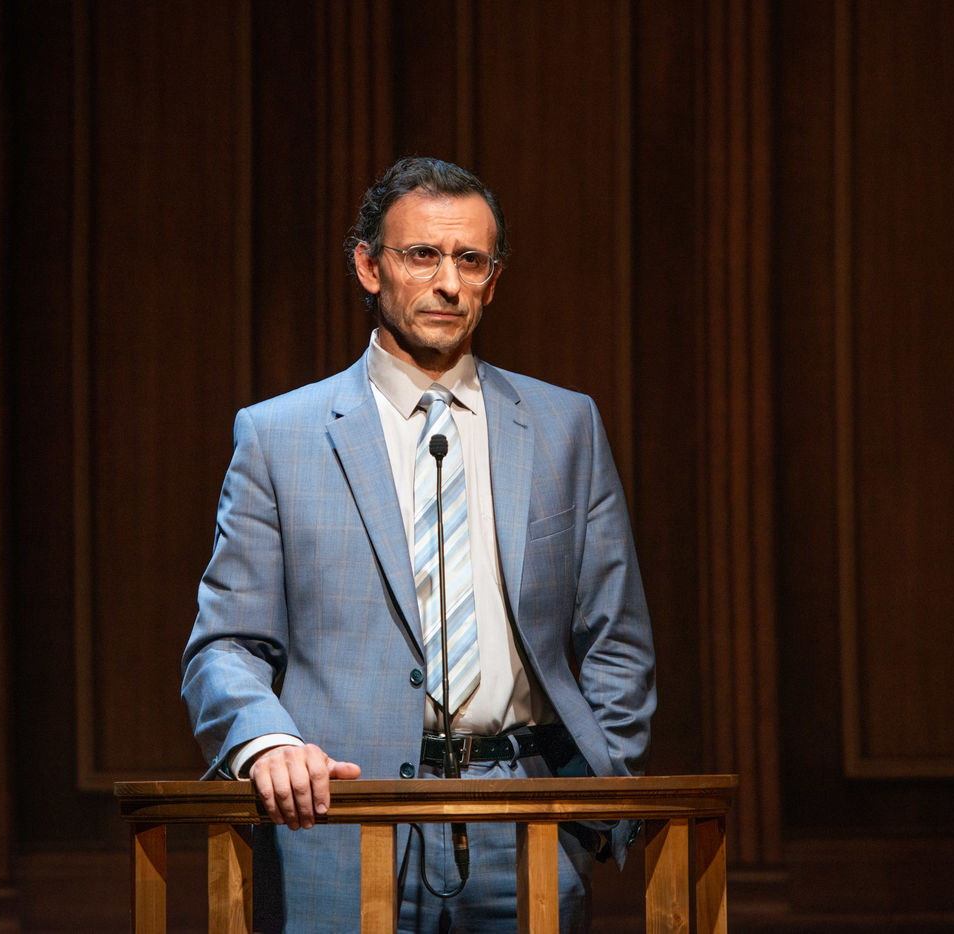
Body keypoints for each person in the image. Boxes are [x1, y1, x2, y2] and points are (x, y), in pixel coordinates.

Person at [182, 156, 656, 932]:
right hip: (342, 819)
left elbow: (618, 639)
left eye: (470, 260)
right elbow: (225, 645)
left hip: (528, 820)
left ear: (492, 281)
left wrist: (596, 797)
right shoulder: (279, 436)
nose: (448, 283)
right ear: (370, 267)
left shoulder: (565, 426)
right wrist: (267, 744)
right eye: (422, 255)